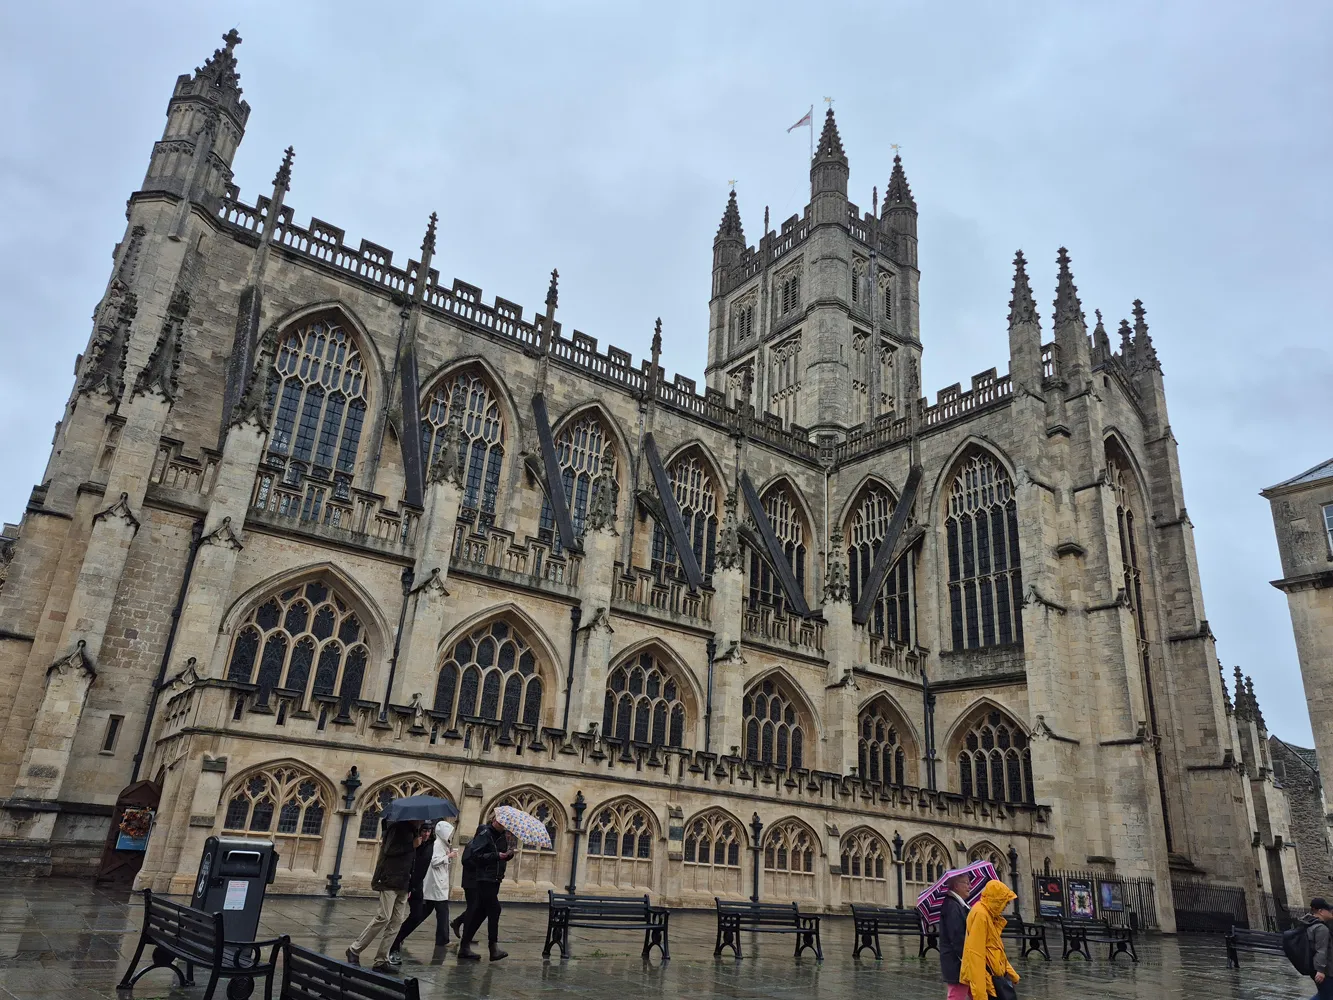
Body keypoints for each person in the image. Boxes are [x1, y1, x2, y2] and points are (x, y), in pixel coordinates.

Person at [347, 820, 422, 973]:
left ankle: (381, 960)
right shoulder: (396, 828)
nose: (422, 822)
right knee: (383, 917)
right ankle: (354, 949)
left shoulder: (414, 831)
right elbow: (388, 850)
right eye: (420, 819)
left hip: (403, 883)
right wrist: (411, 845)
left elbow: (411, 861)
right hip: (389, 880)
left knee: (396, 922)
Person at [388, 819, 455, 962]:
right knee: (389, 918)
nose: (426, 834)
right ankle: (392, 945)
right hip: (407, 883)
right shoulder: (415, 843)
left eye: (429, 831)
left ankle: (397, 941)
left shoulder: (431, 845)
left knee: (417, 915)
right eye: (424, 830)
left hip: (417, 885)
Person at [454, 813, 514, 961]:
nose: (501, 823)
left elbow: (499, 857)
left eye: (504, 822)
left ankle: (464, 947)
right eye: (499, 820)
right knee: (495, 909)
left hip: (495, 879)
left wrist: (508, 855)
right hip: (484, 878)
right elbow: (475, 856)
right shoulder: (485, 834)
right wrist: (496, 856)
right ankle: (493, 948)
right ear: (493, 820)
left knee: (480, 912)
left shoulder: (502, 836)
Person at [960, 879, 1020, 1000]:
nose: (1006, 906)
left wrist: (1011, 974)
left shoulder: (989, 914)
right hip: (988, 980)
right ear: (997, 900)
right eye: (1005, 902)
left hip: (994, 978)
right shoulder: (981, 915)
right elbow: (976, 954)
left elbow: (996, 950)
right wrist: (980, 995)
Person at [938, 871, 973, 999]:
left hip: (960, 963)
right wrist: (967, 959)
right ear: (956, 886)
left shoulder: (958, 905)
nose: (970, 886)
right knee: (957, 995)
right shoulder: (952, 906)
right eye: (966, 883)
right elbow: (957, 936)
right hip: (957, 963)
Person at [1301, 897, 1333, 999]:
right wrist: (1320, 970)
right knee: (1326, 996)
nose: (1331, 912)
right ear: (1321, 911)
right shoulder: (1321, 928)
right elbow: (1321, 950)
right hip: (1325, 970)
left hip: (1316, 967)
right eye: (1328, 910)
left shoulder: (1309, 923)